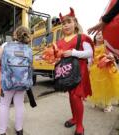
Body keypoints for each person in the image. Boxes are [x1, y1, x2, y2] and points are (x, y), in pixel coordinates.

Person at [43, 7, 94, 135]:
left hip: (80, 72)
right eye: (63, 23)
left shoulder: (82, 38)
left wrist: (73, 52)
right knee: (71, 97)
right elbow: (56, 56)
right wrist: (51, 54)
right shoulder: (59, 41)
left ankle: (80, 125)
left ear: (75, 23)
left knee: (76, 96)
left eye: (69, 22)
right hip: (66, 72)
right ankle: (75, 118)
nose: (66, 25)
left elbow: (90, 53)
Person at [0, 26, 32, 135]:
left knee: (4, 105)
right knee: (19, 104)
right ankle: (19, 129)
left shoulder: (6, 45)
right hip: (22, 82)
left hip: (8, 83)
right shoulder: (28, 49)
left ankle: (2, 132)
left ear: (15, 35)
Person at [89, 31, 119, 112]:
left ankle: (109, 104)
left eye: (102, 34)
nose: (99, 35)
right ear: (94, 37)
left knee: (107, 87)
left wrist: (109, 56)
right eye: (98, 34)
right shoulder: (92, 47)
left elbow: (112, 56)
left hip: (106, 69)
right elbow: (90, 59)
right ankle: (97, 101)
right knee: (96, 87)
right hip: (95, 69)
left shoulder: (105, 46)